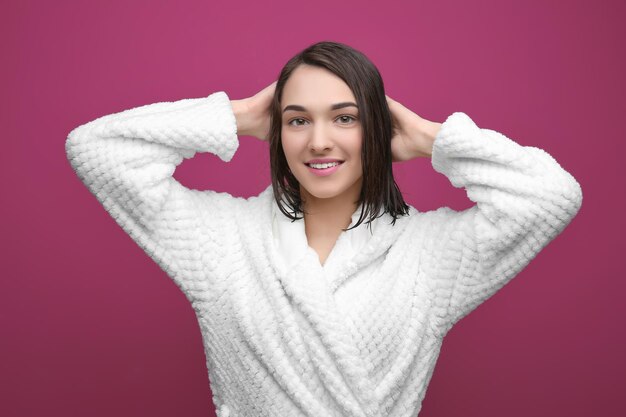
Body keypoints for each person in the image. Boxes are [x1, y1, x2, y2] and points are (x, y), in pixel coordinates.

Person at [65, 41, 583, 417]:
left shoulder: (428, 255)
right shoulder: (221, 241)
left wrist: (430, 138)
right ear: (277, 132)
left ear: (376, 129)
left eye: (345, 118)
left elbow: (550, 197)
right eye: (297, 120)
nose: (318, 141)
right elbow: (96, 150)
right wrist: (239, 115)